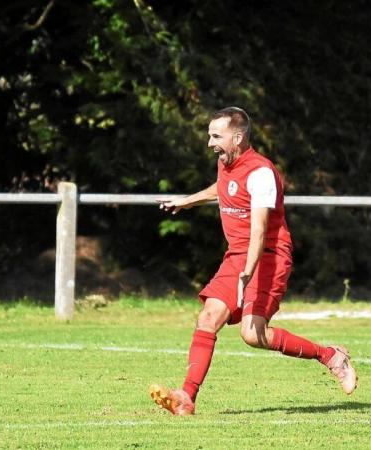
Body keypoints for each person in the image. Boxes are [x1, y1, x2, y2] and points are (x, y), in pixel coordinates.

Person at [150, 107, 357, 416]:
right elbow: (224, 189)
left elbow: (260, 229)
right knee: (208, 318)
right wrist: (187, 201)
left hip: (268, 256)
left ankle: (331, 356)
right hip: (238, 255)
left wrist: (248, 271)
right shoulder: (227, 162)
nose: (210, 143)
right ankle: (186, 397)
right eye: (209, 136)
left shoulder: (261, 173)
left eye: (216, 136)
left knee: (252, 334)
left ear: (238, 136)